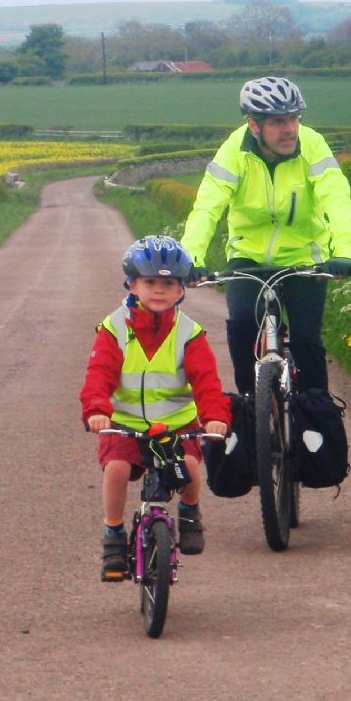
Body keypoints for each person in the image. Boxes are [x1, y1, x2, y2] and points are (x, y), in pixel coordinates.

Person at [181, 76, 351, 394]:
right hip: (247, 256)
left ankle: (315, 419)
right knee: (240, 326)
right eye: (278, 122)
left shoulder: (313, 145)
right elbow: (206, 208)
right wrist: (191, 257)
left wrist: (345, 251)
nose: (289, 129)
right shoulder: (233, 152)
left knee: (306, 341)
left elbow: (337, 198)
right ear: (254, 125)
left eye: (293, 118)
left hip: (304, 257)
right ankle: (251, 406)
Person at [80, 235, 230, 582]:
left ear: (181, 290)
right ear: (132, 284)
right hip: (125, 424)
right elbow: (99, 374)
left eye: (169, 283)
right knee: (116, 469)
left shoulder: (189, 333)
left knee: (190, 465)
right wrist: (96, 410)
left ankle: (190, 512)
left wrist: (216, 418)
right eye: (149, 282)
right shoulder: (114, 329)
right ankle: (113, 535)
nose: (158, 290)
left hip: (177, 424)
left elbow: (207, 382)